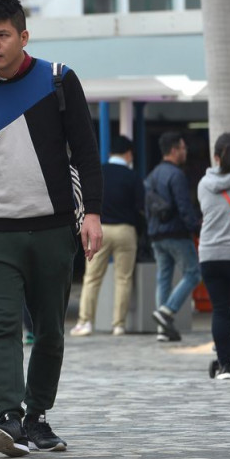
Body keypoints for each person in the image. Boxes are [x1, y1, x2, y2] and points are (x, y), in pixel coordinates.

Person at [0, 0, 103, 457]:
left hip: (54, 229)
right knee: (1, 326)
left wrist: (91, 213)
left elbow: (87, 152)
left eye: (2, 35)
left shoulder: (59, 81)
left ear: (22, 36)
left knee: (51, 329)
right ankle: (9, 417)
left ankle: (37, 415)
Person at [71, 135, 145, 337]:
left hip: (99, 228)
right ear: (128, 153)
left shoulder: (100, 172)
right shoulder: (133, 176)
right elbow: (140, 207)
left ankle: (85, 322)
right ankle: (118, 325)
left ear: (111, 152)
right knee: (123, 278)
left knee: (92, 277)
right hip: (125, 230)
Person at [197, 132, 230, 379]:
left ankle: (225, 367)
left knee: (220, 310)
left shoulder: (203, 184)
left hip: (208, 255)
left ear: (216, 157)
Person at [145, 131, 201, 342]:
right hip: (177, 233)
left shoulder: (152, 175)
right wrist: (195, 228)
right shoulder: (176, 175)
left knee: (164, 279)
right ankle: (167, 311)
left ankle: (163, 330)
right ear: (175, 150)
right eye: (184, 148)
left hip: (156, 235)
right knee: (194, 273)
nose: (186, 152)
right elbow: (184, 206)